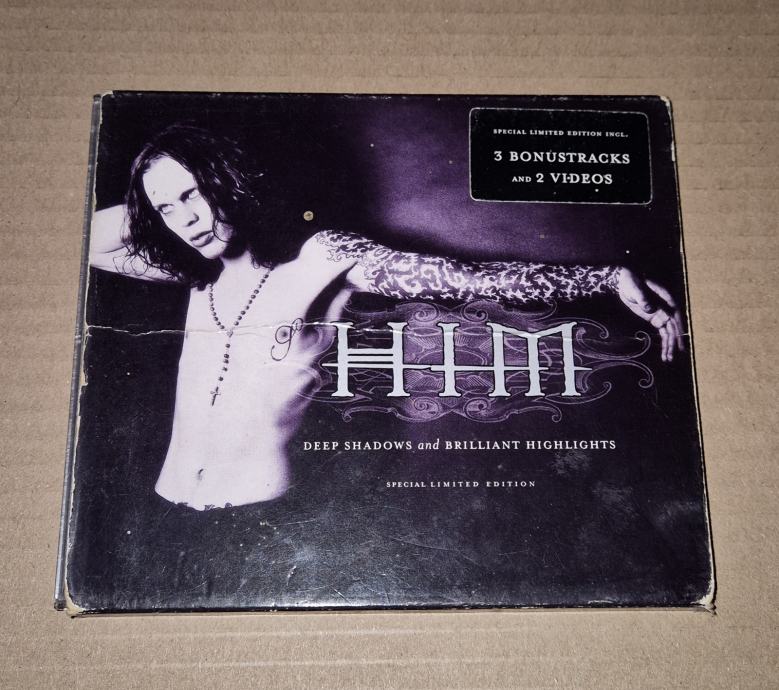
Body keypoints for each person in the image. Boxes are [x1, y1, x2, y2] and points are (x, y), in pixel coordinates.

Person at [89, 125, 684, 511]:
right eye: (166, 209)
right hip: (165, 508)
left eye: (193, 194)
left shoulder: (322, 258)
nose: (185, 220)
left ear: (229, 181)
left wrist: (606, 278)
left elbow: (466, 280)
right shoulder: (191, 270)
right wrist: (155, 198)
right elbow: (87, 239)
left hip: (260, 519)